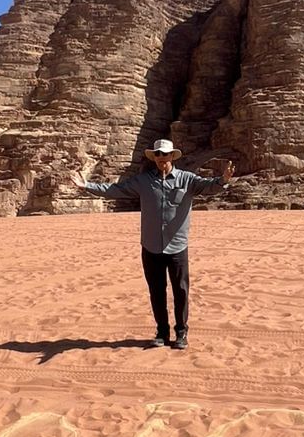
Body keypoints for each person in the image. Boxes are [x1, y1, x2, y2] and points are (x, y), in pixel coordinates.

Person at [69, 138, 235, 349]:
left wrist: (223, 180)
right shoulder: (144, 181)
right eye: (158, 154)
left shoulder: (187, 179)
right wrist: (87, 186)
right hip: (151, 247)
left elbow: (209, 187)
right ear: (154, 157)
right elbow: (114, 189)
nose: (161, 158)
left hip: (177, 247)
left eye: (165, 154)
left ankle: (181, 332)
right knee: (157, 291)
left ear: (172, 156)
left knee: (181, 291)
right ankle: (162, 332)